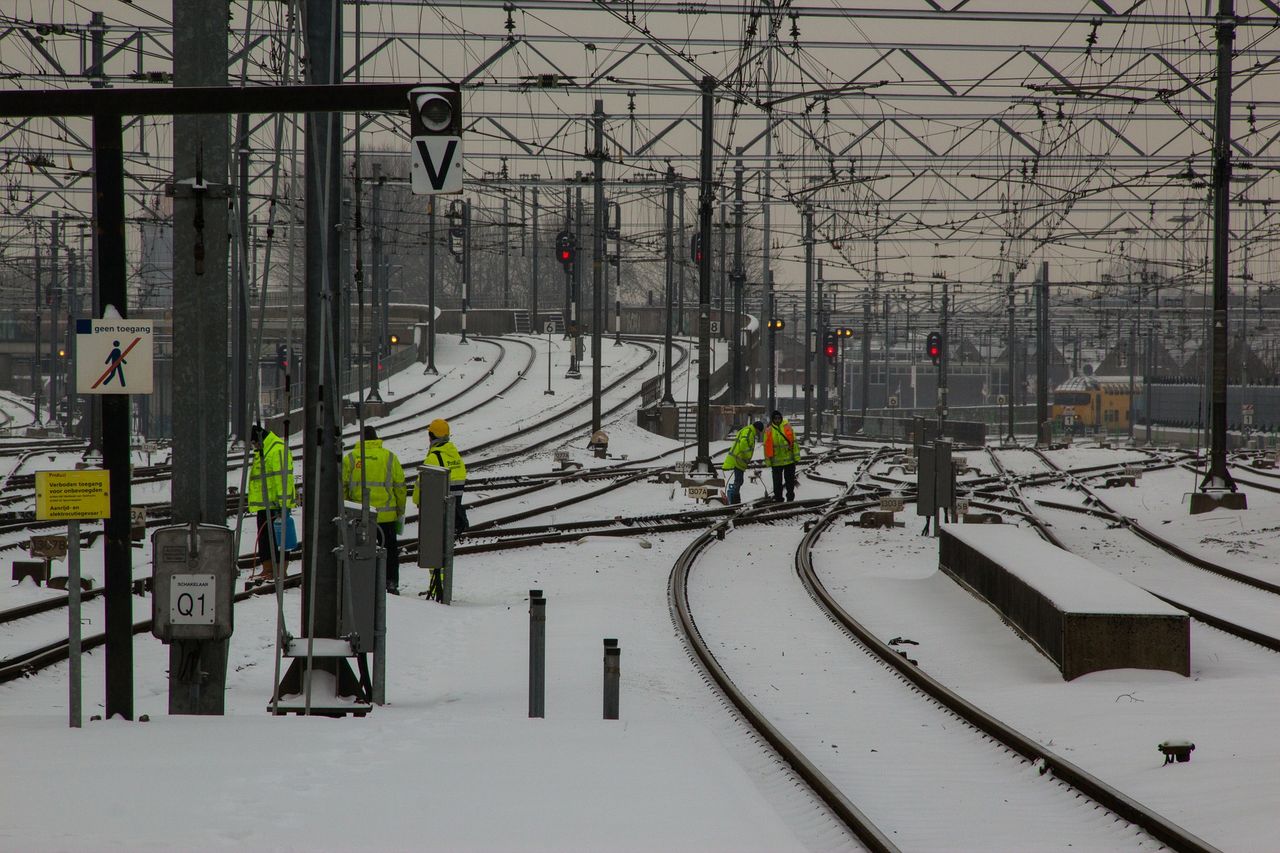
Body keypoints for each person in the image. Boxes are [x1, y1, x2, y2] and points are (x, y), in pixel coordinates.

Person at [342, 425, 407, 594]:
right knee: (390, 552)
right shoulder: (389, 457)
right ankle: (390, 583)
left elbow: (342, 488)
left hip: (360, 517)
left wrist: (347, 509)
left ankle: (361, 583)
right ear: (376, 438)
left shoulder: (350, 458)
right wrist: (400, 511)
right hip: (386, 517)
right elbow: (400, 487)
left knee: (358, 551)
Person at [248, 423, 296, 582]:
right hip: (265, 504)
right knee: (265, 538)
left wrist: (283, 505)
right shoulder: (265, 450)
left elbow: (282, 479)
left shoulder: (277, 449)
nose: (253, 446)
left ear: (259, 439)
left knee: (279, 538)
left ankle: (280, 570)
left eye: (253, 442)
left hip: (276, 504)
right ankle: (268, 569)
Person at [413, 418, 468, 535]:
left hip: (437, 511)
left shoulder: (433, 458)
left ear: (431, 436)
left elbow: (421, 484)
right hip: (455, 508)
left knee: (435, 544)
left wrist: (417, 500)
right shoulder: (456, 456)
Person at [721, 419, 764, 505]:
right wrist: (748, 456)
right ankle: (734, 500)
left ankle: (735, 499)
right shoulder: (748, 431)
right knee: (739, 481)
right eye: (759, 431)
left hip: (740, 460)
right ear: (757, 429)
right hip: (738, 460)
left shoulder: (749, 431)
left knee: (739, 480)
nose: (758, 433)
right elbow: (743, 443)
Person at [764, 409, 800, 502]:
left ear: (781, 418)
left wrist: (796, 457)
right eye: (775, 418)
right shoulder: (769, 430)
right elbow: (767, 447)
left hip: (789, 460)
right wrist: (768, 461)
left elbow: (794, 443)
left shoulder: (787, 427)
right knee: (777, 483)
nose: (777, 420)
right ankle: (779, 499)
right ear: (772, 419)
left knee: (790, 482)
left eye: (779, 418)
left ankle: (790, 498)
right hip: (776, 462)